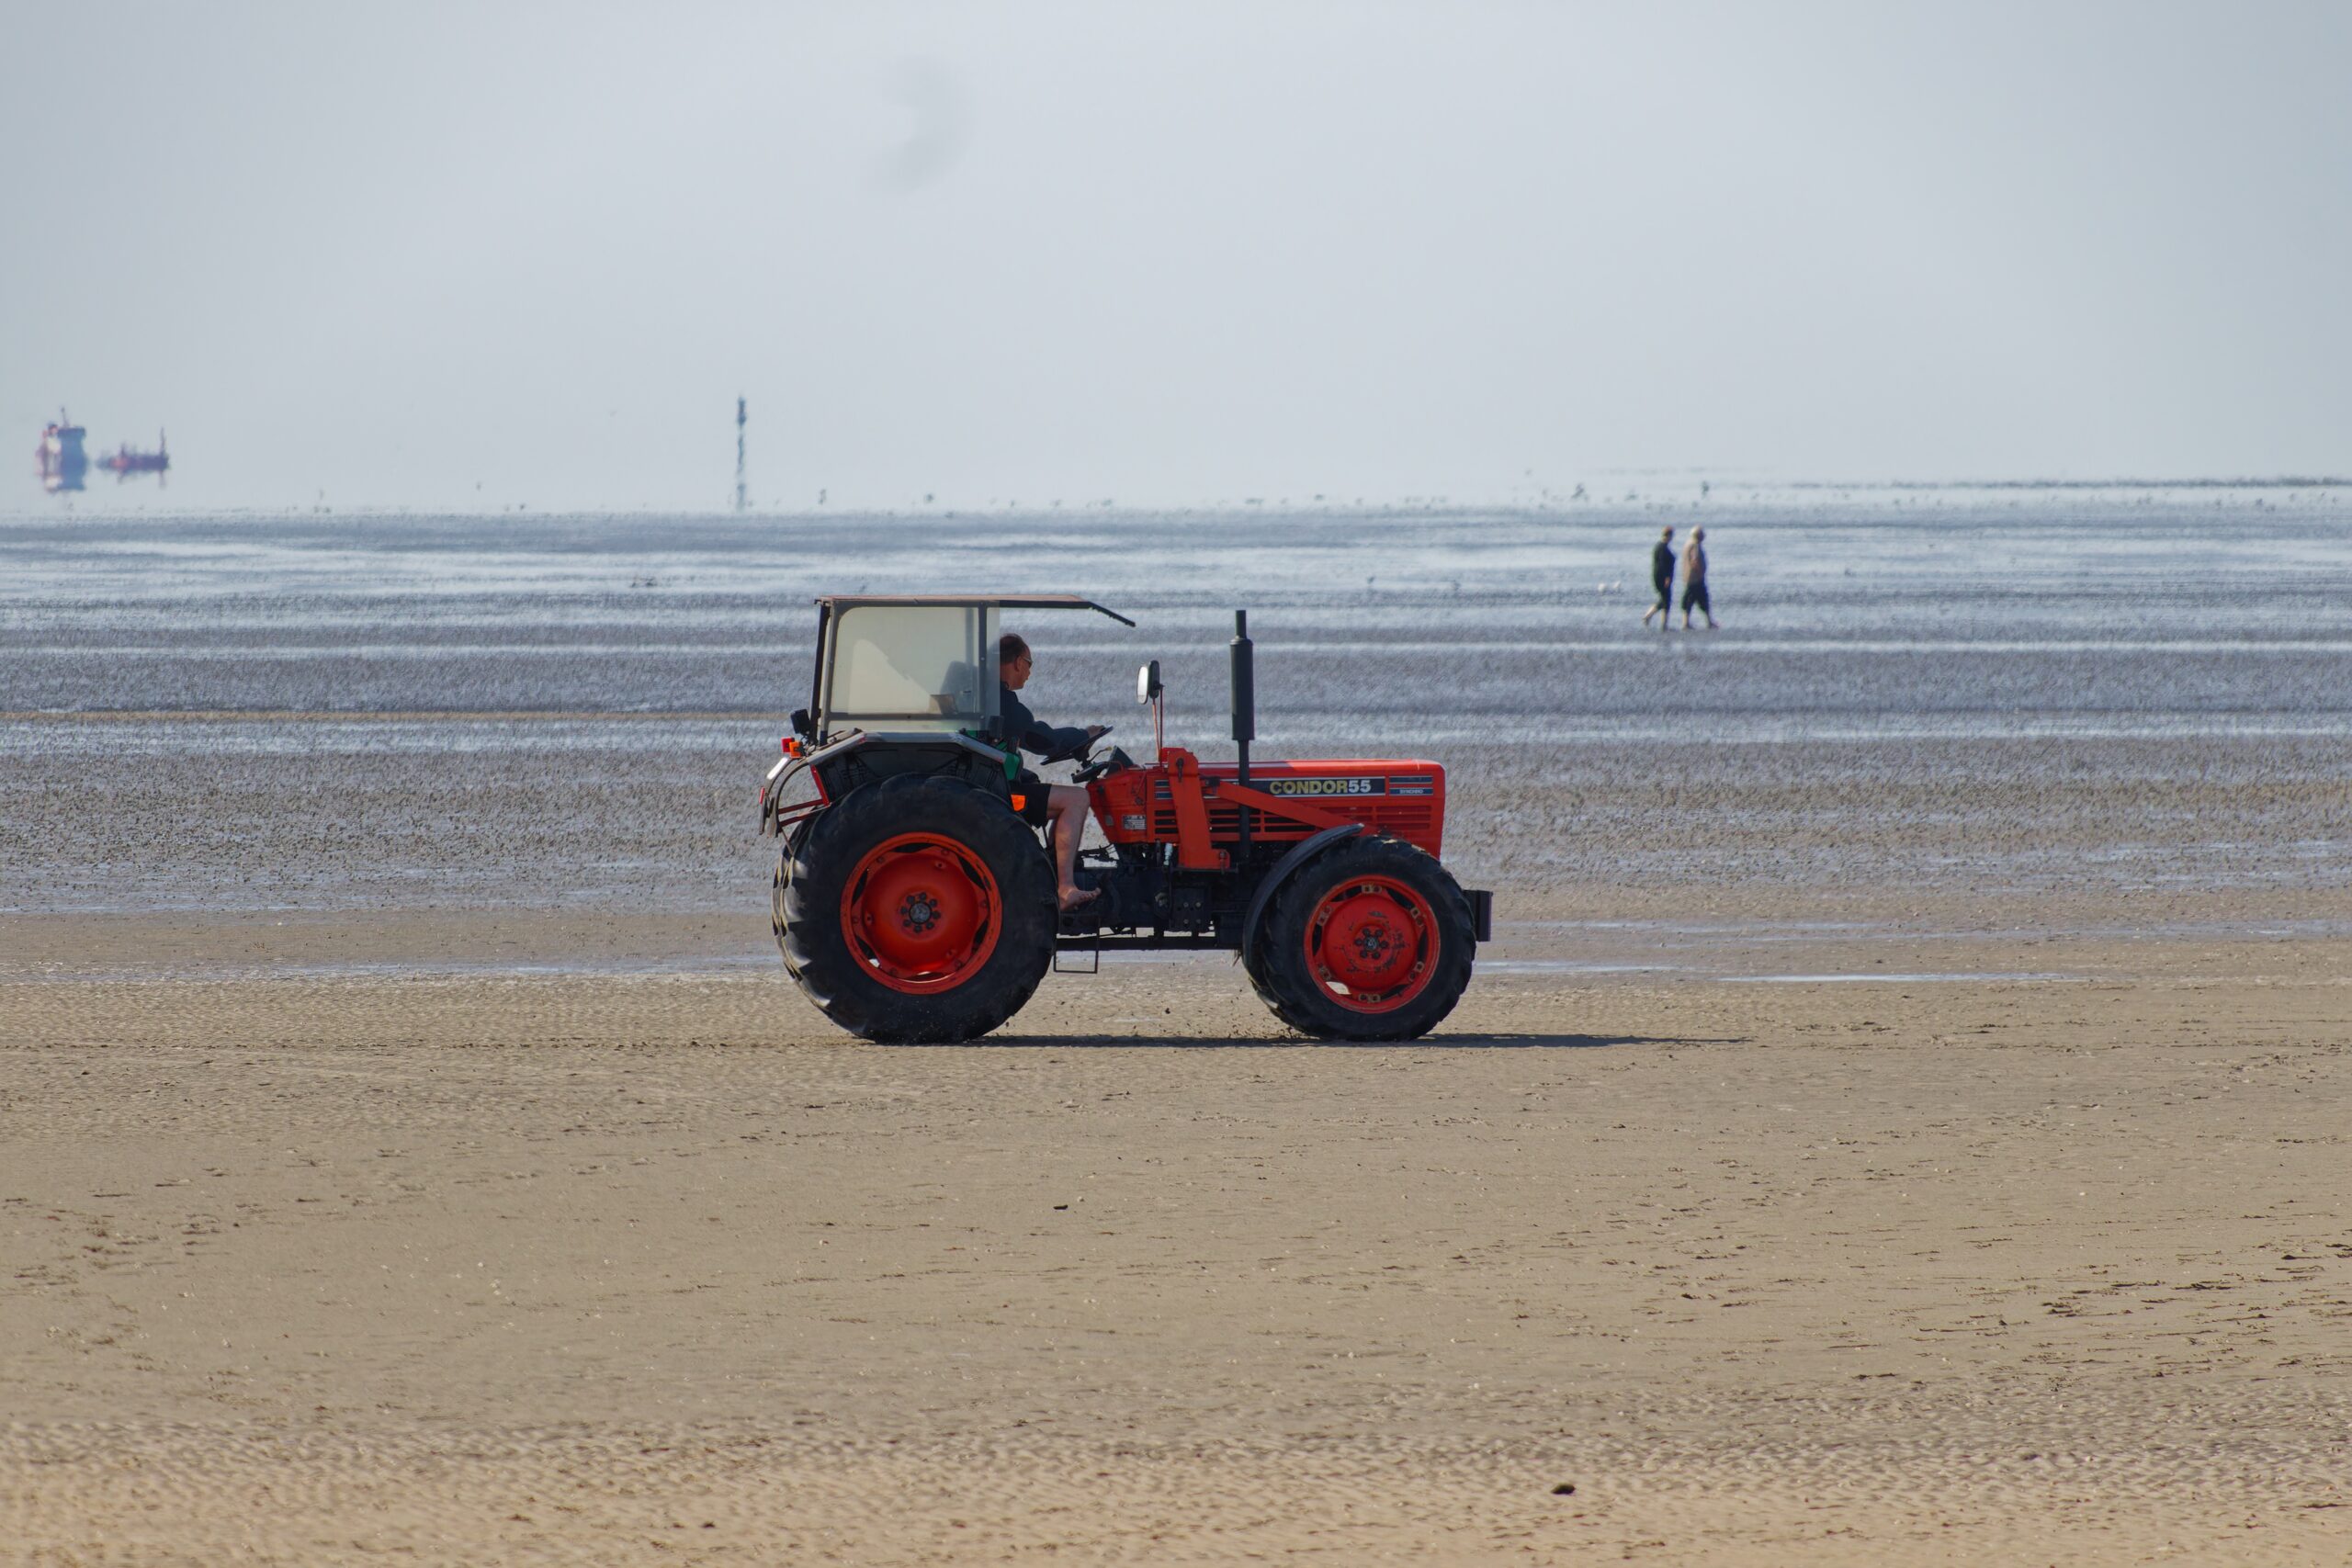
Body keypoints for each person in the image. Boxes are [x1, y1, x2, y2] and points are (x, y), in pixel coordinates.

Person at [999, 632, 1109, 910]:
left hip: (998, 783)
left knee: (1054, 796)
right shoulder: (1000, 700)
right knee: (1077, 799)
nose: (1029, 672)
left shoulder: (984, 695)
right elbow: (1041, 740)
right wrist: (1082, 735)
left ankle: (1051, 870)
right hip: (1001, 792)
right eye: (1029, 663)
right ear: (1017, 662)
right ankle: (1065, 888)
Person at [1680, 526, 1718, 629]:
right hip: (1696, 578)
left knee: (1690, 599)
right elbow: (1694, 561)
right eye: (1702, 534)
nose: (1704, 536)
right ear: (1699, 535)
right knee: (1700, 599)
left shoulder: (1687, 544)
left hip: (1688, 578)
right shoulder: (1695, 545)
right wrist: (1700, 573)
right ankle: (1706, 622)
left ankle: (1687, 622)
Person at [1641, 525, 1677, 629]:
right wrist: (1667, 578)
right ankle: (1649, 617)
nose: (1672, 538)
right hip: (1661, 578)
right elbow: (1662, 565)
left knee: (1666, 600)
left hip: (1660, 577)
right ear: (1668, 536)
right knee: (1665, 600)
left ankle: (1663, 624)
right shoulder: (1662, 548)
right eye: (1671, 536)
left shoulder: (1662, 546)